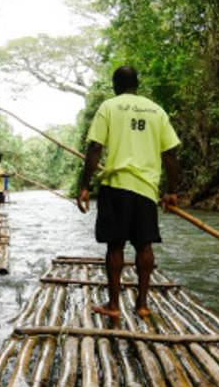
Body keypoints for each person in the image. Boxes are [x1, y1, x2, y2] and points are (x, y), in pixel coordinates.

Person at [76, 65, 180, 320]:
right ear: (138, 84)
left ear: (115, 85)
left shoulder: (109, 107)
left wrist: (83, 186)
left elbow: (95, 148)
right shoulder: (157, 111)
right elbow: (170, 155)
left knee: (115, 246)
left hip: (116, 185)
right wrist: (172, 191)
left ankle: (114, 306)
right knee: (145, 246)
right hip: (146, 188)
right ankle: (142, 305)